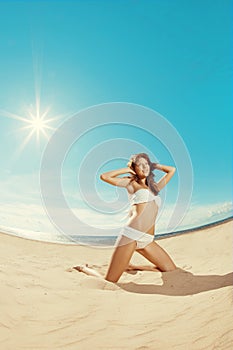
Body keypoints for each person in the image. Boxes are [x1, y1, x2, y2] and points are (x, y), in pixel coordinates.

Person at [74, 153, 177, 282]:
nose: (144, 167)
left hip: (148, 239)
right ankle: (84, 268)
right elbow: (105, 176)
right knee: (110, 281)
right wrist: (128, 170)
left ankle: (131, 267)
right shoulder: (130, 183)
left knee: (171, 269)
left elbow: (172, 170)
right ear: (134, 168)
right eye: (140, 165)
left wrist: (153, 165)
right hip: (131, 235)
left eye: (146, 164)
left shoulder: (154, 187)